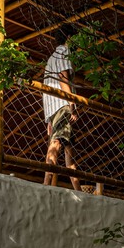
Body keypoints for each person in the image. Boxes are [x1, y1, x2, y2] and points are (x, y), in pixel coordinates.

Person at [42, 39, 81, 190]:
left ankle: (78, 190)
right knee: (57, 143)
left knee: (68, 148)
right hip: (62, 105)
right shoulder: (64, 51)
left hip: (53, 108)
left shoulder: (51, 59)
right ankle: (46, 183)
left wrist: (48, 119)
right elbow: (63, 77)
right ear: (70, 37)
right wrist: (71, 103)